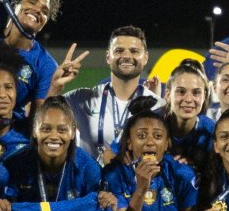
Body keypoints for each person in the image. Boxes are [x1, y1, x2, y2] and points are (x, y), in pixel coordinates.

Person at [101, 98, 200, 211]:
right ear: (129, 143)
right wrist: (140, 189)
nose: (150, 142)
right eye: (141, 135)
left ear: (167, 143)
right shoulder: (114, 175)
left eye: (158, 136)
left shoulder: (182, 174)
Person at [51, 26, 155, 160]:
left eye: (134, 51)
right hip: (92, 180)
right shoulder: (83, 98)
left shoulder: (157, 105)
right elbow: (40, 119)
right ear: (108, 57)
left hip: (138, 180)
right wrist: (55, 86)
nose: (126, 56)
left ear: (145, 57)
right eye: (119, 50)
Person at [3, 98, 110, 205]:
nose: (54, 136)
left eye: (62, 130)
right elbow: (7, 209)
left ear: (73, 132)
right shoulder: (14, 165)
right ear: (34, 130)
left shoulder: (88, 168)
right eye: (46, 129)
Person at [163, 61, 216, 171]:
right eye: (181, 92)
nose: (188, 99)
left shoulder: (213, 131)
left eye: (196, 93)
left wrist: (197, 168)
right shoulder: (153, 125)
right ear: (168, 95)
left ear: (204, 96)